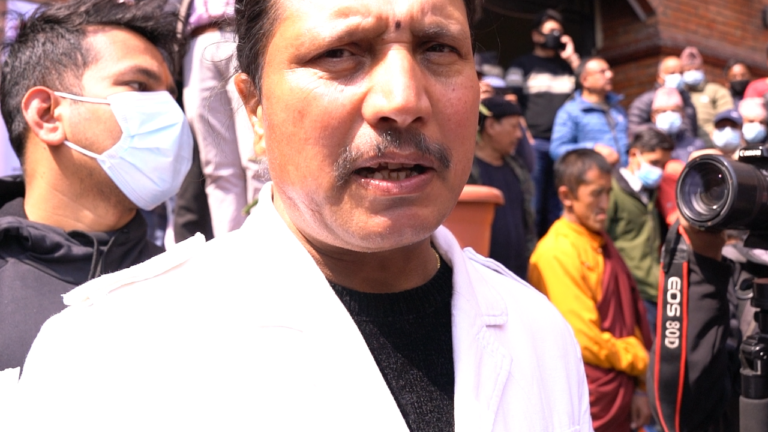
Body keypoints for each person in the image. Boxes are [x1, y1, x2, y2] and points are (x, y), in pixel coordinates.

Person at [9, 0, 593, 430]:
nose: (403, 100)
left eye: (438, 48)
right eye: (339, 53)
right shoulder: (106, 358)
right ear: (254, 109)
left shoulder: (540, 334)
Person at [0, 0, 191, 373]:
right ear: (47, 115)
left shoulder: (198, 289)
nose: (171, 115)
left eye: (169, 95)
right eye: (139, 86)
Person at [529, 149, 652, 432]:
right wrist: (639, 359)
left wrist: (641, 388)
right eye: (596, 194)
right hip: (584, 399)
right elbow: (580, 339)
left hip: (622, 391)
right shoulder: (557, 251)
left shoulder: (598, 241)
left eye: (608, 193)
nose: (605, 204)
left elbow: (629, 319)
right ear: (566, 196)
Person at [181, 0, 264, 237]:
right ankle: (230, 243)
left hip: (244, 31)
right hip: (198, 38)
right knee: (216, 167)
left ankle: (264, 240)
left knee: (257, 159)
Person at [505, 8, 579, 238]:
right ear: (536, 35)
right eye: (551, 31)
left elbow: (588, 86)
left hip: (565, 146)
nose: (556, 35)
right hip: (535, 142)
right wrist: (524, 134)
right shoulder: (521, 65)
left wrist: (572, 58)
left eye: (559, 32)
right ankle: (531, 253)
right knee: (534, 205)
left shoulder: (567, 68)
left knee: (560, 206)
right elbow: (511, 101)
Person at [606, 127, 673, 337]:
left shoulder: (653, 192)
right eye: (654, 162)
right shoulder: (612, 190)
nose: (659, 170)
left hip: (655, 288)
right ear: (635, 154)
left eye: (663, 165)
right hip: (629, 290)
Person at [468, 97, 535, 280]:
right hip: (479, 275)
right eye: (514, 127)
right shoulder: (466, 172)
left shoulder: (518, 170)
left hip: (517, 276)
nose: (519, 135)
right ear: (490, 126)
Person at [550, 57, 628, 167]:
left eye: (609, 70)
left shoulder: (617, 108)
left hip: (623, 174)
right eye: (602, 72)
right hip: (594, 174)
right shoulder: (570, 111)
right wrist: (593, 149)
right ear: (585, 80)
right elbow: (557, 149)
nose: (610, 75)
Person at [627, 56, 698, 140]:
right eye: (672, 73)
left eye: (681, 73)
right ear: (659, 77)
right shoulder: (644, 101)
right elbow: (634, 129)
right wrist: (659, 129)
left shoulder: (687, 100)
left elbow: (692, 131)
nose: (678, 76)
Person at [680, 46, 734, 146]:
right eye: (688, 69)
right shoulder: (679, 93)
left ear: (703, 69)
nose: (692, 72)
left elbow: (726, 115)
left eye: (696, 69)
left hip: (710, 142)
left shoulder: (716, 90)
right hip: (685, 143)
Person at [650, 87, 706, 162]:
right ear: (653, 116)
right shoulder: (646, 147)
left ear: (682, 114)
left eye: (674, 110)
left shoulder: (696, 145)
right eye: (663, 111)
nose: (669, 115)